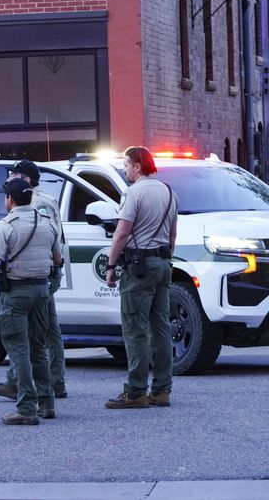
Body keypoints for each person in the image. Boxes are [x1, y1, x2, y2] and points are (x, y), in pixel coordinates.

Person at [0, 160, 69, 401]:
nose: (10, 178)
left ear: (27, 179)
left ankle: (43, 384)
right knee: (45, 331)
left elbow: (38, 238)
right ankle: (48, 385)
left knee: (42, 333)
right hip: (44, 272)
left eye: (14, 175)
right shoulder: (42, 200)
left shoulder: (38, 204)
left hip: (36, 276)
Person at [103, 146, 178, 409]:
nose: (124, 170)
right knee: (161, 328)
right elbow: (172, 235)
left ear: (137, 166)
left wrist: (111, 265)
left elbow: (122, 233)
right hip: (162, 264)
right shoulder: (169, 192)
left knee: (135, 329)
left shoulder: (133, 193)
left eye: (126, 165)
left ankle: (135, 392)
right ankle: (161, 390)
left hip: (139, 267)